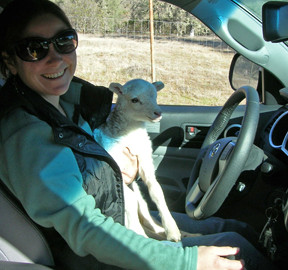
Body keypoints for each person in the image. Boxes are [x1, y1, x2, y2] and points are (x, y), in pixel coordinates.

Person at [0, 0, 277, 269]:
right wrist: (187, 262)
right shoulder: (28, 134)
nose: (56, 57)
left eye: (64, 41)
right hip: (101, 252)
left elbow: (90, 169)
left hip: (117, 213)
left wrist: (118, 172)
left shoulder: (66, 105)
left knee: (235, 228)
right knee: (238, 248)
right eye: (35, 49)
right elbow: (84, 227)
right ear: (11, 62)